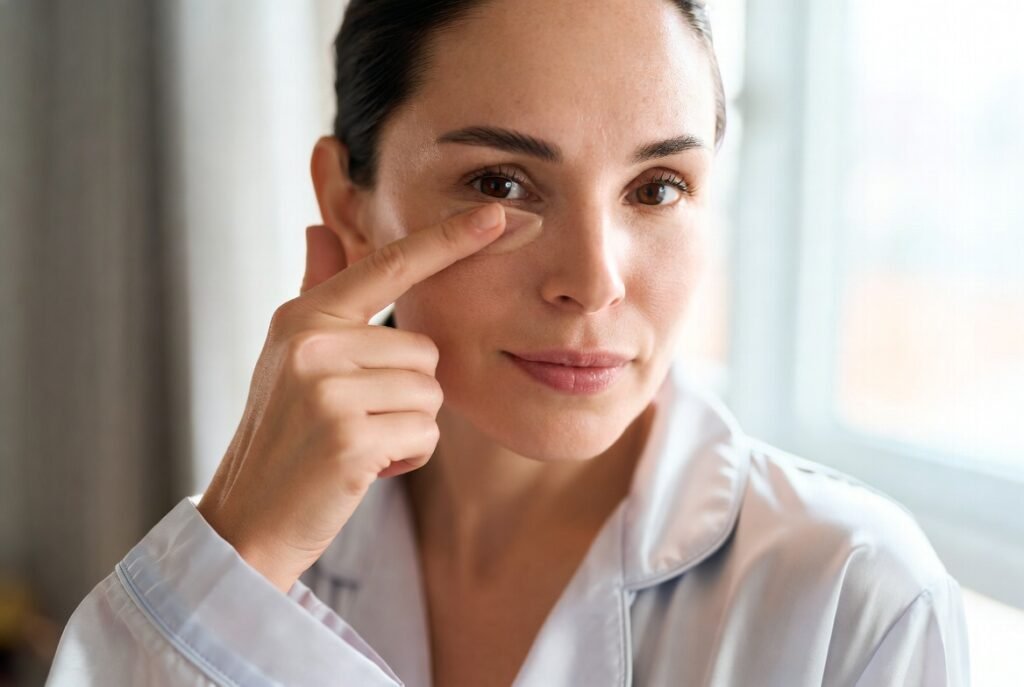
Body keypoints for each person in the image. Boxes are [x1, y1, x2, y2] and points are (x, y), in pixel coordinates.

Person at [44, 0, 971, 685]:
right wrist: (227, 567)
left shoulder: (858, 600)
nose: (594, 280)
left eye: (657, 188)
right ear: (349, 207)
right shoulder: (257, 545)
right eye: (501, 183)